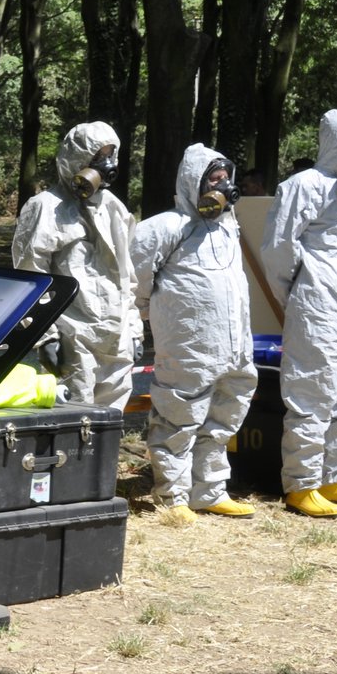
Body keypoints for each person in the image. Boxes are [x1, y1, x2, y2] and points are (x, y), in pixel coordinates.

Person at [260, 109, 337, 517]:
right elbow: (278, 250)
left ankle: (336, 477)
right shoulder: (302, 185)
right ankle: (302, 484)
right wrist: (301, 293)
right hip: (318, 305)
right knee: (312, 393)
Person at [131, 145, 258, 523]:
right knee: (178, 417)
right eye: (213, 179)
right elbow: (136, 281)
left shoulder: (228, 225)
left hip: (234, 346)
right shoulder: (162, 227)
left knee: (223, 419)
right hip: (188, 345)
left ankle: (210, 491)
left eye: (225, 178)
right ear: (194, 182)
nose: (222, 186)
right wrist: (148, 318)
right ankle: (173, 497)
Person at [12, 121, 143, 411]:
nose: (105, 164)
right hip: (73, 336)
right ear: (76, 157)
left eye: (110, 155)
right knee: (75, 428)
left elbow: (126, 276)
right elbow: (30, 276)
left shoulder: (114, 207)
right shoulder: (45, 207)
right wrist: (44, 336)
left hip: (116, 337)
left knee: (110, 425)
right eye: (97, 157)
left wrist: (133, 329)